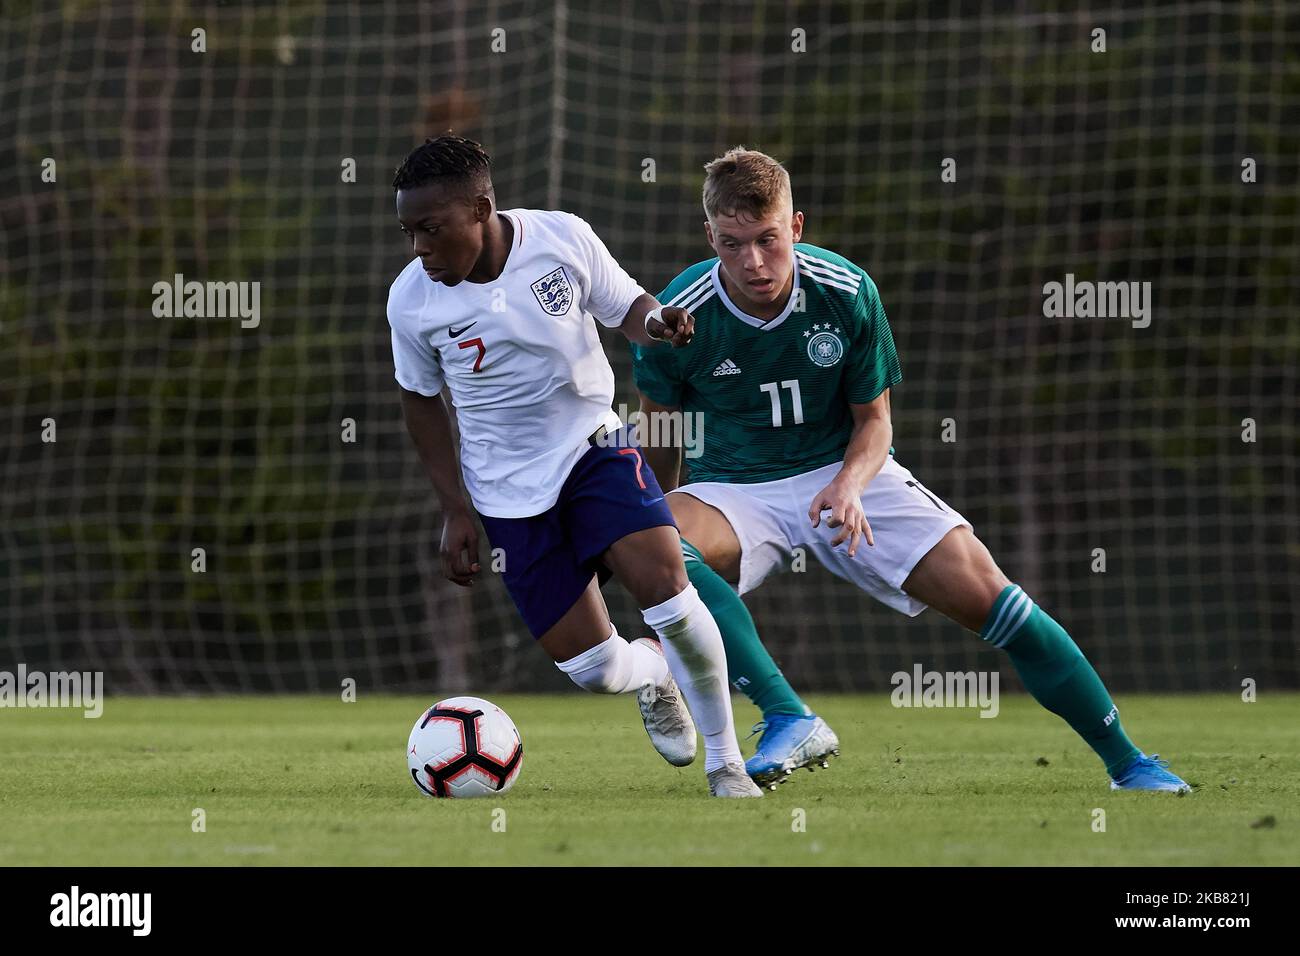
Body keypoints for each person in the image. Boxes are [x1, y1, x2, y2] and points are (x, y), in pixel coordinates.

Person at [632, 147, 1190, 793]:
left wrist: (847, 484)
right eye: (732, 245)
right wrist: (656, 548)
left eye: (769, 240)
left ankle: (1130, 763)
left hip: (842, 473)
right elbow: (660, 437)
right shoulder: (681, 311)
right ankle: (788, 714)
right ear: (710, 236)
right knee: (661, 544)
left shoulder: (846, 292)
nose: (753, 262)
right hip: (733, 488)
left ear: (798, 227)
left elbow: (874, 422)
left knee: (999, 604)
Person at [387, 135, 761, 796]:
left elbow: (631, 310)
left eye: (430, 229)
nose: (419, 247)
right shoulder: (411, 301)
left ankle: (727, 763)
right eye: (408, 231)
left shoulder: (561, 239)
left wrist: (659, 323)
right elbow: (420, 405)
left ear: (480, 208)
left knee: (671, 594)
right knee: (595, 669)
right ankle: (651, 672)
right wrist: (454, 508)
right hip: (506, 494)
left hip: (595, 450)